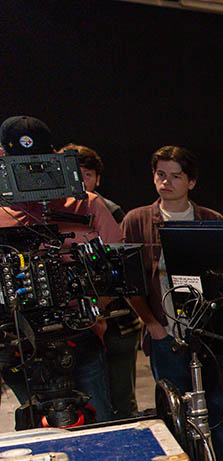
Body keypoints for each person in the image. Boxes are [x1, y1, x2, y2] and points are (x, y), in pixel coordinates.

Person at [122, 146, 223, 461]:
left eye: (175, 175)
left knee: (221, 410)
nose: (166, 182)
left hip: (210, 335)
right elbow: (129, 280)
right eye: (160, 175)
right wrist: (152, 325)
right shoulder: (138, 220)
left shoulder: (211, 218)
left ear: (192, 181)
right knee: (174, 415)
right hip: (165, 335)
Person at [0, 116, 119, 425]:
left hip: (79, 336)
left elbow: (119, 269)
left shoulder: (87, 205)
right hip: (18, 344)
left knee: (99, 422)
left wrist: (93, 310)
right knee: (36, 432)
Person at [60, 143, 140, 418]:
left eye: (88, 174)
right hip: (72, 329)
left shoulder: (107, 209)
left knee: (119, 400)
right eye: (75, 172)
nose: (82, 180)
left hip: (117, 324)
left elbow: (123, 265)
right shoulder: (45, 213)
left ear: (97, 177)